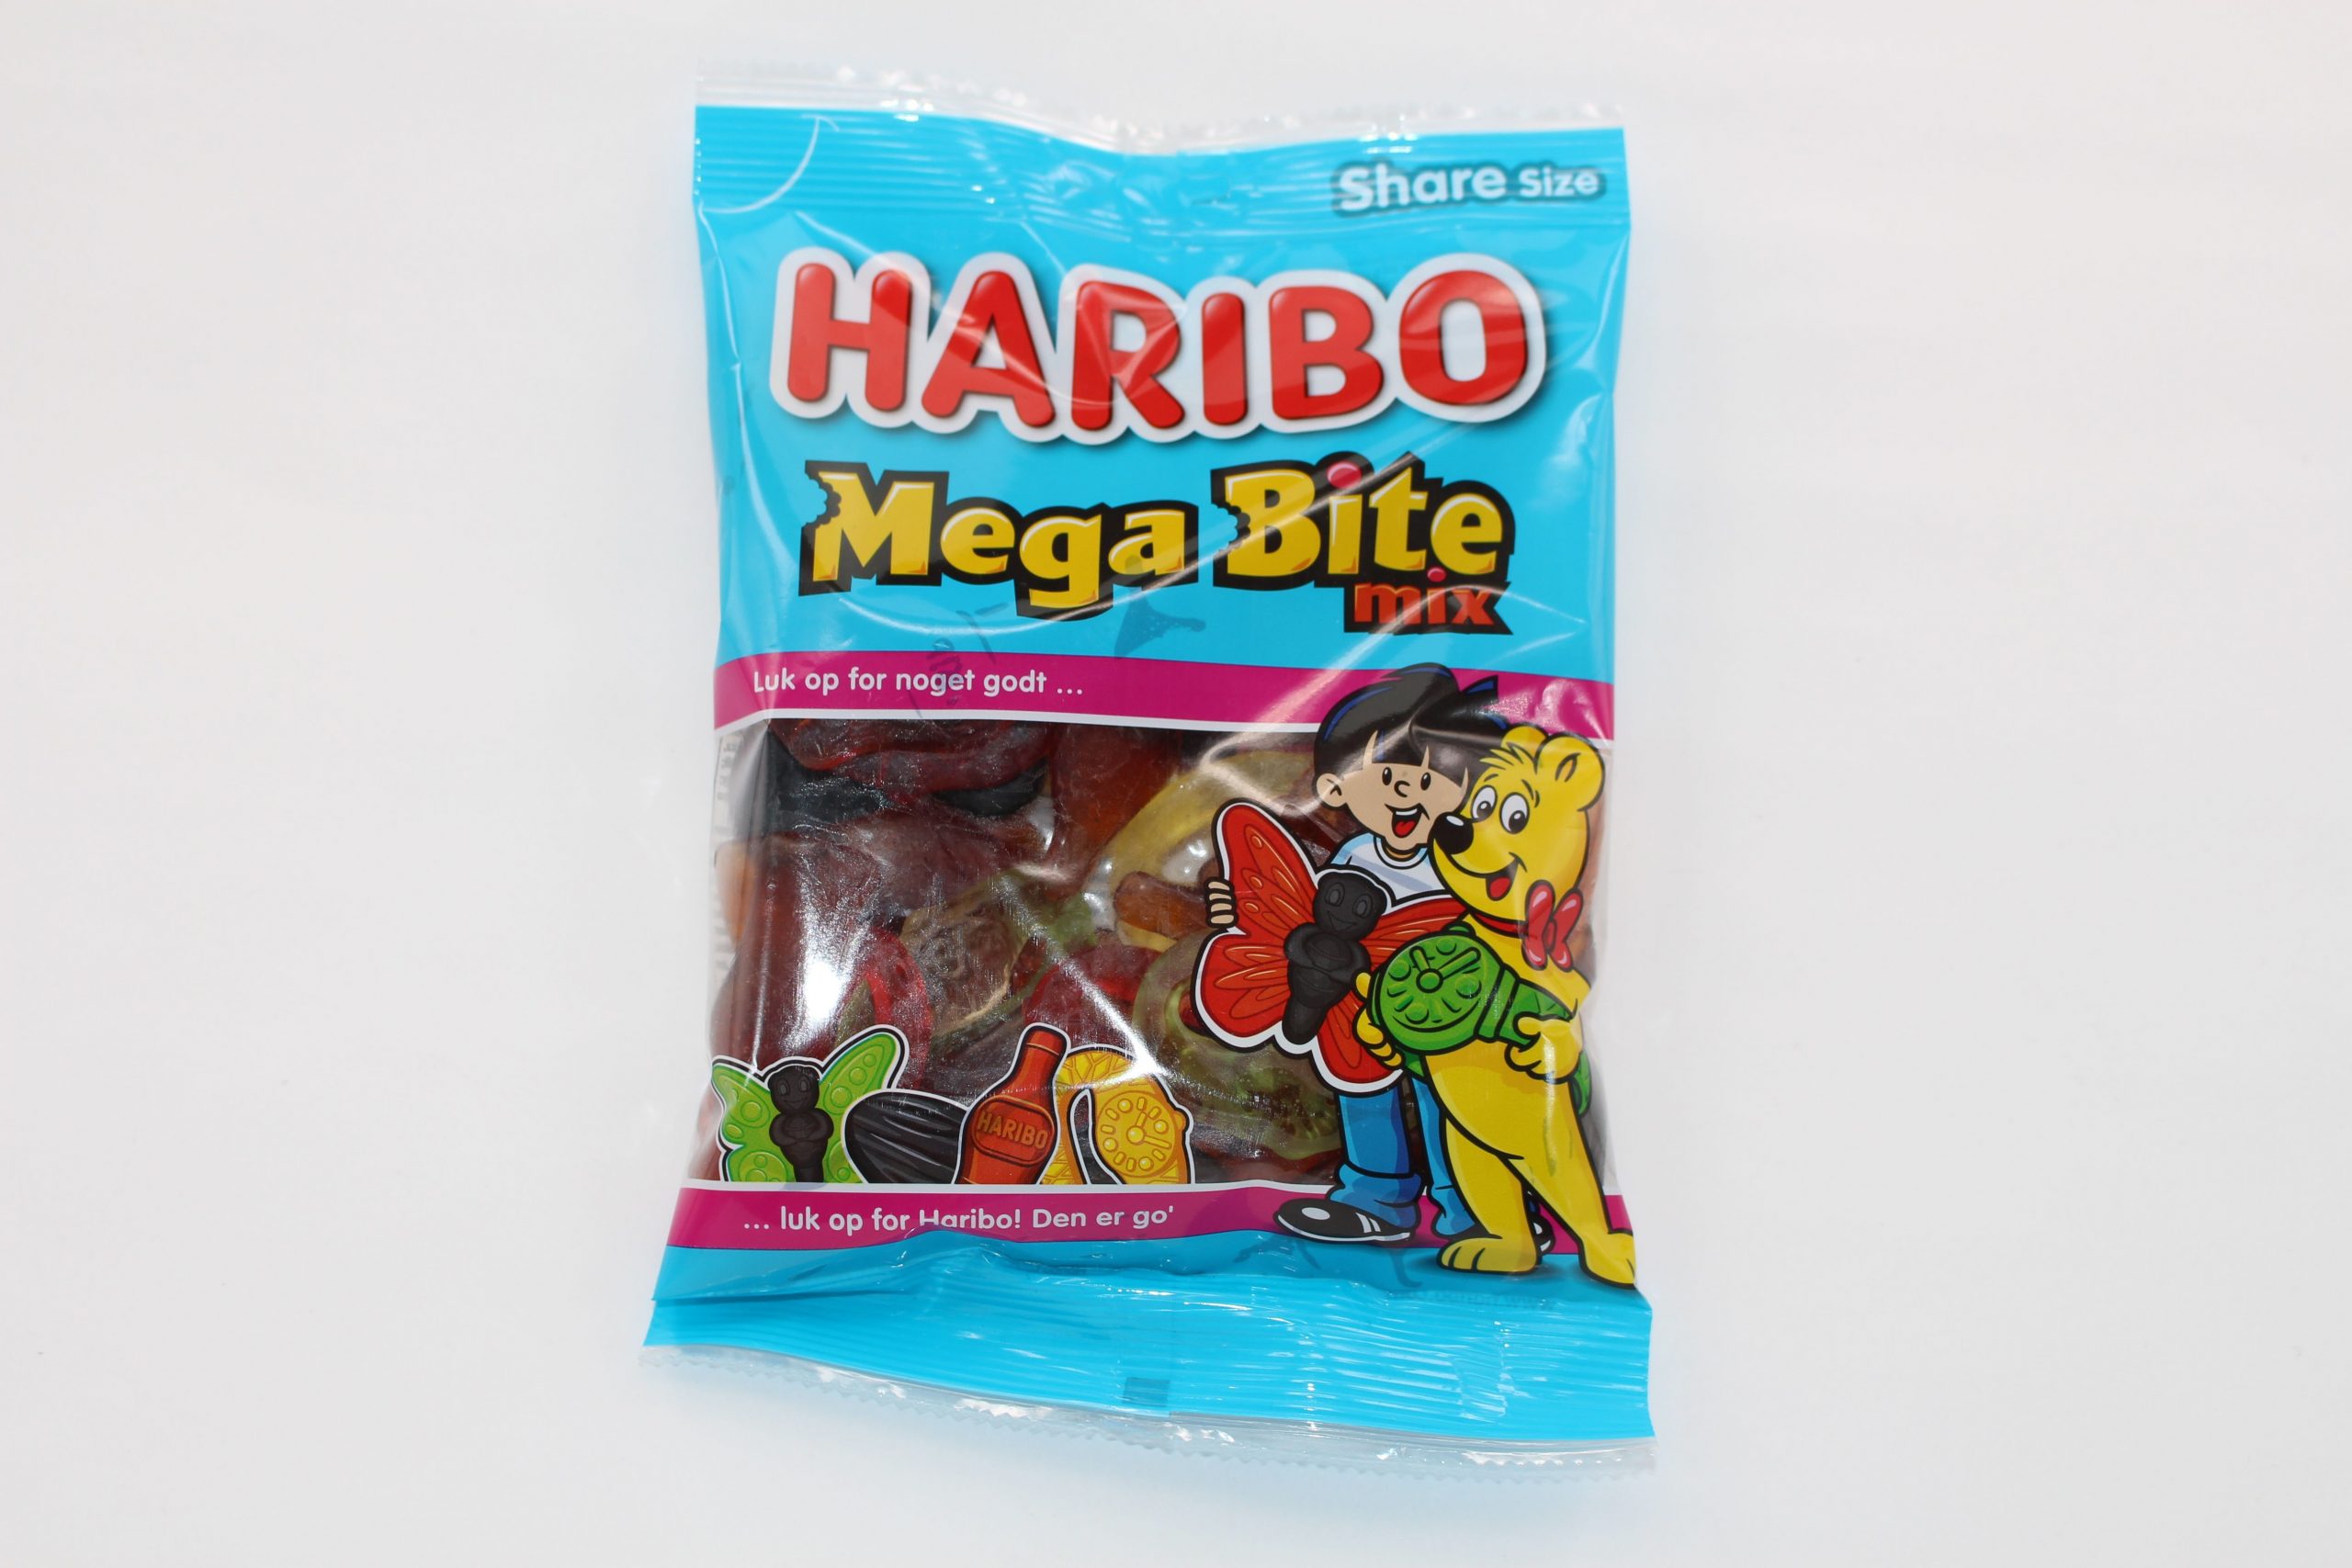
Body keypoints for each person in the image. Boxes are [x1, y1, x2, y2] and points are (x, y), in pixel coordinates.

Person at [1205, 666, 1502, 1243]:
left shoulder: (1463, 861)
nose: (1406, 791)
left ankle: (1471, 1207)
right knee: (1363, 1094)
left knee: (1447, 1103)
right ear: (1337, 787)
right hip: (1358, 1004)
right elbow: (1304, 909)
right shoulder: (1356, 853)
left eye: (1431, 776)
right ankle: (1375, 1199)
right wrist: (1233, 909)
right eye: (1386, 775)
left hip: (1445, 1007)